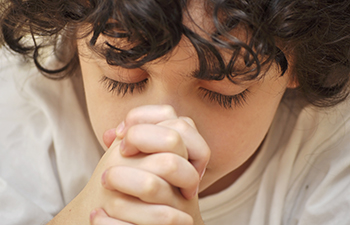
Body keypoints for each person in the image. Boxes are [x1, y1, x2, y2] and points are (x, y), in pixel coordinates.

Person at [0, 0, 350, 224]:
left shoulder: (335, 148)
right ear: (73, 35)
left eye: (223, 92)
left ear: (300, 63)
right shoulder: (18, 106)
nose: (167, 130)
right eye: (123, 77)